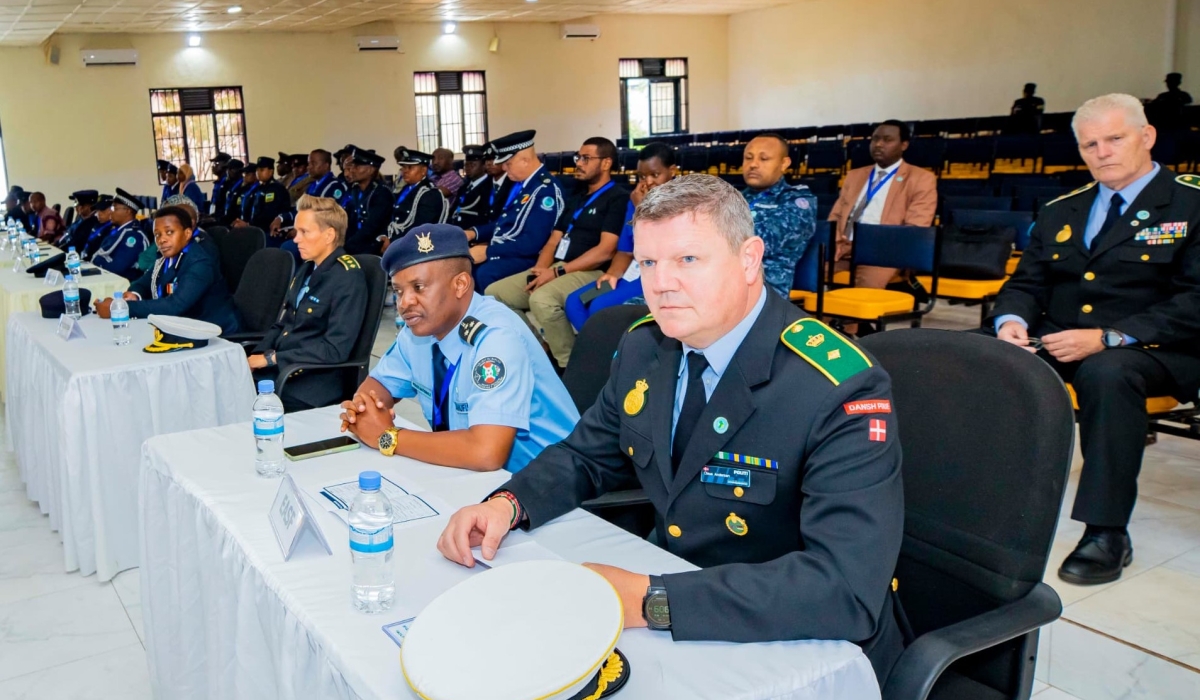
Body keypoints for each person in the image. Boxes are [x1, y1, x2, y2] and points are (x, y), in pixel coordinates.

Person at [435, 175, 905, 681]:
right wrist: (508, 504)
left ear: (749, 259)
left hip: (800, 647)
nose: (661, 284)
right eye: (649, 262)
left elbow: (845, 588)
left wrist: (651, 599)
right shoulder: (645, 346)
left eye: (687, 260)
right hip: (678, 601)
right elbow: (587, 455)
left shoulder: (836, 387)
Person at [990, 93, 1200, 586]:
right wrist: (1011, 325)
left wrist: (1109, 338)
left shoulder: (1191, 204)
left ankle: (1106, 532)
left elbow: (1195, 300)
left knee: (1107, 372)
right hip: (1065, 340)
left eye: (1115, 138)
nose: (1101, 152)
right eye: (1090, 143)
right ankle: (978, 498)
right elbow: (1026, 284)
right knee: (976, 355)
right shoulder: (1064, 209)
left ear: (1146, 137)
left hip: (1161, 350)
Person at [338, 223, 579, 472]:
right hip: (470, 476)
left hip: (548, 482)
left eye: (418, 288)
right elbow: (379, 386)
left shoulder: (496, 337)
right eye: (399, 291)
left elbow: (486, 452)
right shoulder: (418, 332)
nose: (405, 302)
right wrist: (363, 410)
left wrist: (388, 437)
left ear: (460, 284)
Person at [486, 137, 629, 368]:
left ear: (606, 163)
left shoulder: (617, 198)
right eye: (578, 157)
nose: (578, 163)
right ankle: (540, 347)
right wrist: (541, 269)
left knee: (542, 299)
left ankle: (569, 365)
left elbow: (605, 250)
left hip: (591, 270)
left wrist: (557, 272)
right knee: (496, 293)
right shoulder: (577, 196)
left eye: (586, 158)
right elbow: (553, 241)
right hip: (558, 268)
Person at [248, 195, 369, 411]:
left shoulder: (347, 277)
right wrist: (256, 356)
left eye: (305, 232)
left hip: (308, 385)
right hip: (282, 372)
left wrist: (270, 359)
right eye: (297, 231)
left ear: (329, 235)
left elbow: (335, 349)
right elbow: (283, 324)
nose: (296, 239)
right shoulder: (308, 268)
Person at [564, 142, 677, 331]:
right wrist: (612, 273)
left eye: (655, 175)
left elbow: (664, 247)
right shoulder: (635, 199)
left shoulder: (684, 204)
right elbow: (625, 251)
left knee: (599, 307)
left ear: (672, 171)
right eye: (642, 176)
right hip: (632, 271)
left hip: (659, 272)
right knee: (574, 302)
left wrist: (642, 210)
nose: (648, 182)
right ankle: (600, 353)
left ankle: (612, 355)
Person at [827, 120, 938, 289]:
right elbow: (835, 216)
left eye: (887, 140)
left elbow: (915, 228)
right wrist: (836, 242)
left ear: (904, 145)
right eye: (875, 139)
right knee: (805, 274)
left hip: (882, 253)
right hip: (842, 250)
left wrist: (863, 246)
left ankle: (836, 316)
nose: (878, 144)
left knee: (864, 291)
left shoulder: (921, 179)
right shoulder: (855, 176)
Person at [94, 205, 239, 333]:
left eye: (169, 232)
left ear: (187, 234)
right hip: (182, 327)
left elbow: (175, 305)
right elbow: (143, 283)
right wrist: (134, 294)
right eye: (157, 235)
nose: (162, 240)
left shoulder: (200, 262)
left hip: (214, 331)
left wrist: (122, 308)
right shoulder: (167, 258)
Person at [462, 130, 565, 291]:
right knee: (465, 266)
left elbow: (532, 243)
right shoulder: (525, 185)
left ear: (525, 160)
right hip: (510, 250)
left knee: (484, 273)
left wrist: (489, 251)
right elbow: (505, 224)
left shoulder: (545, 190)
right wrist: (474, 233)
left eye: (508, 163)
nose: (503, 167)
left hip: (528, 257)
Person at [741, 133, 816, 299]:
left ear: (784, 164)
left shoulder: (796, 201)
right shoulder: (733, 198)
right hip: (725, 283)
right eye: (748, 158)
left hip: (766, 291)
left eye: (764, 159)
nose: (753, 165)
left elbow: (762, 241)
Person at [273, 149, 348, 234]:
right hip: (307, 230)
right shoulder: (313, 185)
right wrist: (281, 218)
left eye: (314, 163)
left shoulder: (335, 186)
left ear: (326, 166)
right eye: (309, 163)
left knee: (284, 245)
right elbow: (301, 208)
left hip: (322, 234)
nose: (309, 167)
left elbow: (324, 217)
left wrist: (301, 230)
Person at [385, 147, 448, 247]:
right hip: (396, 242)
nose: (405, 171)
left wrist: (393, 241)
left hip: (414, 247)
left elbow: (420, 228)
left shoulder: (430, 194)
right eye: (403, 167)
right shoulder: (405, 189)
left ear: (423, 170)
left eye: (410, 167)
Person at [341, 147, 392, 255]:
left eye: (357, 166)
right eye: (353, 166)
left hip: (371, 248)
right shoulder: (355, 190)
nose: (353, 170)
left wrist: (346, 246)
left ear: (371, 169)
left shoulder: (381, 193)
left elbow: (371, 227)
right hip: (353, 245)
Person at [92, 188, 150, 280]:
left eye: (114, 208)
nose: (111, 212)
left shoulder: (134, 236)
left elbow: (117, 268)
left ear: (127, 211)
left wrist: (97, 261)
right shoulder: (119, 230)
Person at [234, 156, 291, 243]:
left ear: (271, 171)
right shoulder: (260, 188)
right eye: (257, 170)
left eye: (262, 170)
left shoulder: (275, 188)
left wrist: (248, 224)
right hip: (256, 228)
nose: (258, 173)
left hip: (269, 231)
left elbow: (269, 214)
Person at [449, 145, 493, 230]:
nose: (468, 168)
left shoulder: (489, 187)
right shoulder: (464, 186)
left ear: (484, 166)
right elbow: (454, 210)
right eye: (466, 165)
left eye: (472, 165)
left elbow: (483, 217)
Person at [486, 148, 517, 222]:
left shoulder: (514, 183)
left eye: (494, 159)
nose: (489, 163)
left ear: (504, 161)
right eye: (487, 160)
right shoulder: (484, 184)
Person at [82, 195, 114, 261]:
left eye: (102, 211)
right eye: (97, 211)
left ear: (111, 210)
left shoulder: (112, 229)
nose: (98, 214)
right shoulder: (96, 224)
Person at [208, 152, 233, 219]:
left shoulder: (227, 183)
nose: (213, 166)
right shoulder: (218, 183)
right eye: (213, 164)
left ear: (225, 165)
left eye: (216, 163)